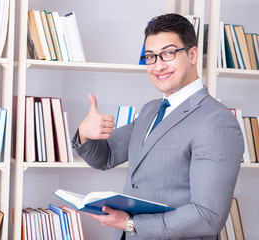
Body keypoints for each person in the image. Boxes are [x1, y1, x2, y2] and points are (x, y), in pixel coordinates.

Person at [71, 13, 244, 240]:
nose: (158, 66)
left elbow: (208, 216)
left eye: (169, 53)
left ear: (192, 55)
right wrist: (84, 134)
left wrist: (131, 224)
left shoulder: (217, 121)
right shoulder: (151, 109)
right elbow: (106, 157)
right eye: (150, 57)